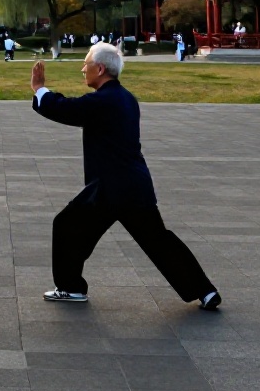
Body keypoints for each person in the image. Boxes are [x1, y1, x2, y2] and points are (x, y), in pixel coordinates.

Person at [30, 43, 221, 310]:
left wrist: (40, 89)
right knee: (158, 240)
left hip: (110, 188)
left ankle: (70, 288)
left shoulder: (104, 100)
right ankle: (205, 291)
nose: (82, 69)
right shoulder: (124, 97)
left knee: (67, 226)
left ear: (100, 68)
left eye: (86, 64)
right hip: (133, 186)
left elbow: (67, 109)